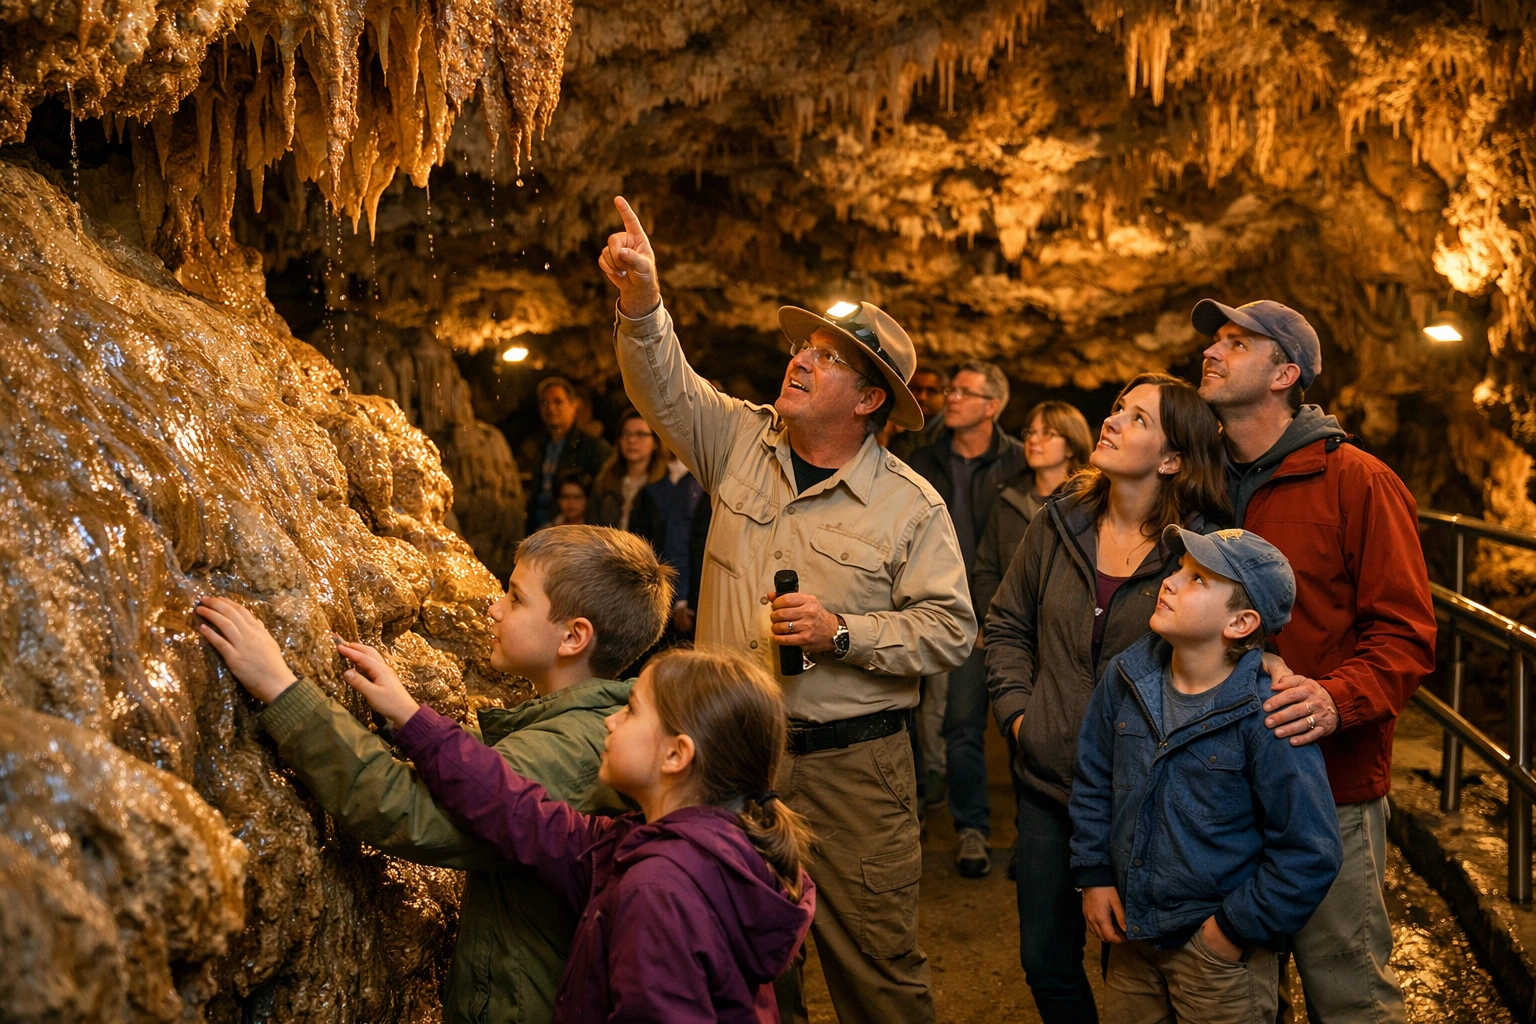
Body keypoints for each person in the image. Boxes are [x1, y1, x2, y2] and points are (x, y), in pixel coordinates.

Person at [601, 196, 974, 1024]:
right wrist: (642, 301)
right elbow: (666, 388)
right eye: (804, 345)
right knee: (751, 969)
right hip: (737, 767)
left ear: (870, 400)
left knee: (876, 972)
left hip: (854, 772)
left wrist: (843, 633)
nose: (802, 359)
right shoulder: (740, 441)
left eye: (829, 357)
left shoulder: (910, 506)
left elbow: (952, 628)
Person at [191, 525, 675, 1024]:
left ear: (573, 636)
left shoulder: (568, 748)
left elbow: (414, 812)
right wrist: (406, 716)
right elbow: (481, 778)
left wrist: (283, 690)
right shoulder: (572, 726)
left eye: (515, 598)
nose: (495, 608)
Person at [1192, 298, 1437, 1024]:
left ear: (1285, 373)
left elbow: (1406, 632)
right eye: (1215, 340)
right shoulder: (1199, 487)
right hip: (1219, 791)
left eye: (1239, 343)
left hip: (1327, 784)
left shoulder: (1356, 480)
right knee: (1237, 991)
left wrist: (1337, 699)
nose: (1213, 351)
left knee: (1347, 989)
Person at [357, 646, 814, 1023]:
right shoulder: (658, 845)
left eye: (631, 711)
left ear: (676, 755)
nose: (610, 721)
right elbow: (521, 814)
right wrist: (412, 718)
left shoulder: (660, 889)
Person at [985, 372, 1229, 1024]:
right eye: (1117, 409)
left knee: (1142, 960)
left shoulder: (1196, 551)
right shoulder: (1057, 523)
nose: (1113, 421)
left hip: (1146, 797)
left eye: (1138, 418)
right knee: (1045, 959)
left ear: (1173, 458)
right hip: (1047, 782)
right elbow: (1007, 625)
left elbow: (1222, 666)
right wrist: (1018, 717)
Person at [1071, 526, 1343, 1022]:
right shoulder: (1126, 678)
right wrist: (1095, 876)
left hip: (1216, 957)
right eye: (1179, 569)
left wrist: (1232, 930)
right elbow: (1094, 779)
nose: (1171, 582)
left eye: (1198, 579)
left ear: (1241, 622)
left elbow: (1311, 850)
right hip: (1134, 938)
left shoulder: (1267, 714)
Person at [908, 361, 1023, 877]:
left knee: (1005, 726)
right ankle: (965, 827)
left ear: (991, 405)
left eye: (964, 392)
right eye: (951, 390)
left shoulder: (1018, 463)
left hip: (996, 614)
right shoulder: (923, 459)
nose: (950, 398)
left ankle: (1013, 832)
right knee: (947, 722)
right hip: (930, 607)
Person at [973, 401, 1095, 622]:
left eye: (1047, 433)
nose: (1033, 440)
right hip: (1008, 631)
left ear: (1070, 445)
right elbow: (986, 570)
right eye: (1030, 432)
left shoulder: (1086, 505)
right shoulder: (1007, 501)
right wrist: (998, 618)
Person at [629, 453, 707, 638]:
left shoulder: (695, 487)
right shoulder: (658, 492)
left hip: (692, 598)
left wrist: (683, 601)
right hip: (661, 599)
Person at [518, 377, 612, 531]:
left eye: (558, 401)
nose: (551, 408)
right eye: (545, 402)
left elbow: (602, 497)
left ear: (574, 405)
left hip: (575, 534)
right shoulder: (540, 448)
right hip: (541, 532)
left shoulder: (593, 448)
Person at [590, 409, 667, 531]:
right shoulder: (605, 481)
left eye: (640, 434)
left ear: (655, 442)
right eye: (626, 434)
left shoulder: (664, 485)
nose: (631, 440)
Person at [884, 367, 949, 461]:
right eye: (916, 390)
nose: (922, 397)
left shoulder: (952, 432)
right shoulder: (901, 433)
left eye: (931, 391)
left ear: (945, 395)